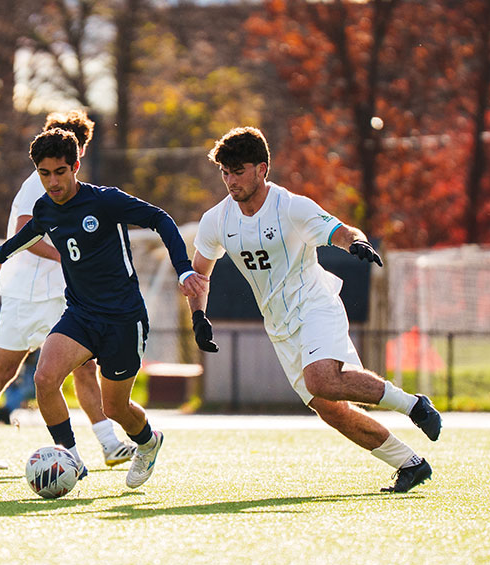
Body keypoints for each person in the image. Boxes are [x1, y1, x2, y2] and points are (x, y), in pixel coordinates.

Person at [186, 126, 442, 493]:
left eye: (238, 170)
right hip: (279, 324)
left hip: (314, 303)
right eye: (224, 172)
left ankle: (414, 405)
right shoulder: (217, 220)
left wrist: (357, 243)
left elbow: (341, 230)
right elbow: (199, 274)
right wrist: (198, 315)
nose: (230, 180)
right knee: (329, 406)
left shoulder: (290, 206)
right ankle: (408, 463)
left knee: (321, 379)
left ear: (262, 169)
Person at [0, 128, 209, 487]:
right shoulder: (45, 207)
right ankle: (71, 457)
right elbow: (31, 231)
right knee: (44, 378)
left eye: (59, 172)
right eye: (44, 173)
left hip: (123, 319)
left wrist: (184, 268)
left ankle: (148, 442)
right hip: (81, 314)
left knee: (115, 408)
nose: (52, 182)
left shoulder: (105, 201)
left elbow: (160, 218)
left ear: (75, 166)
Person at [0, 111, 136, 471]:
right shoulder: (40, 182)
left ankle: (109, 444)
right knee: (4, 369)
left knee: (85, 367)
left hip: (60, 296)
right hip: (28, 294)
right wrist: (68, 259)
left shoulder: (74, 188)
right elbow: (24, 234)